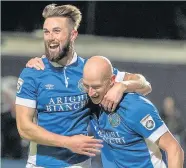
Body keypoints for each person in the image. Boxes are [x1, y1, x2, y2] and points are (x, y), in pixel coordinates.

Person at [16, 4, 152, 168]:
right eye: (46, 31)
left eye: (57, 31)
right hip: (41, 164)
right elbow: (24, 128)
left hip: (80, 164)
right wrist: (68, 142)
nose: (50, 37)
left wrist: (122, 86)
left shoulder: (90, 70)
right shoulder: (33, 73)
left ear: (73, 35)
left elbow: (144, 85)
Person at [82, 56, 184, 168]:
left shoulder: (135, 107)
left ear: (112, 80)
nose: (91, 93)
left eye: (96, 87)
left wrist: (123, 85)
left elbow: (174, 149)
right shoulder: (88, 99)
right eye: (86, 86)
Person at [1, 76, 22, 159]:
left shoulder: (11, 83)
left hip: (12, 115)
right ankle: (6, 153)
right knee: (6, 135)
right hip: (6, 114)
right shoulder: (5, 84)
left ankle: (15, 154)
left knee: (14, 135)